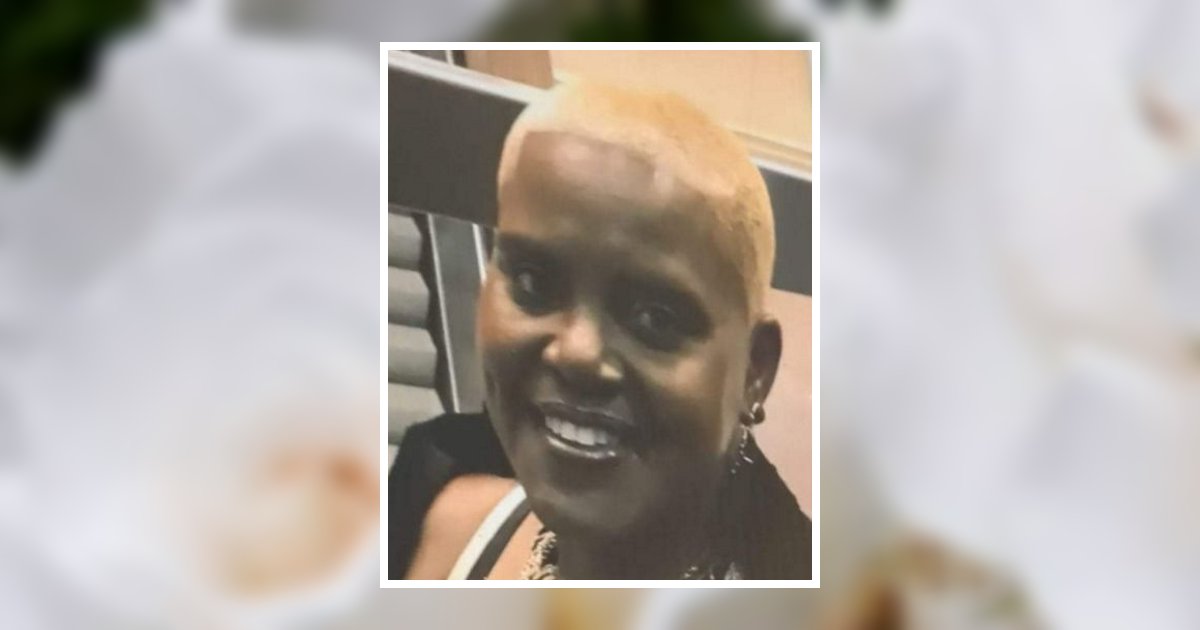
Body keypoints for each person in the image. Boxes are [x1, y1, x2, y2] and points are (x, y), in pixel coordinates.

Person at [389, 79, 811, 580]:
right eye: (533, 282)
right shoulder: (450, 531)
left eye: (656, 318)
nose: (578, 352)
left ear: (755, 371)